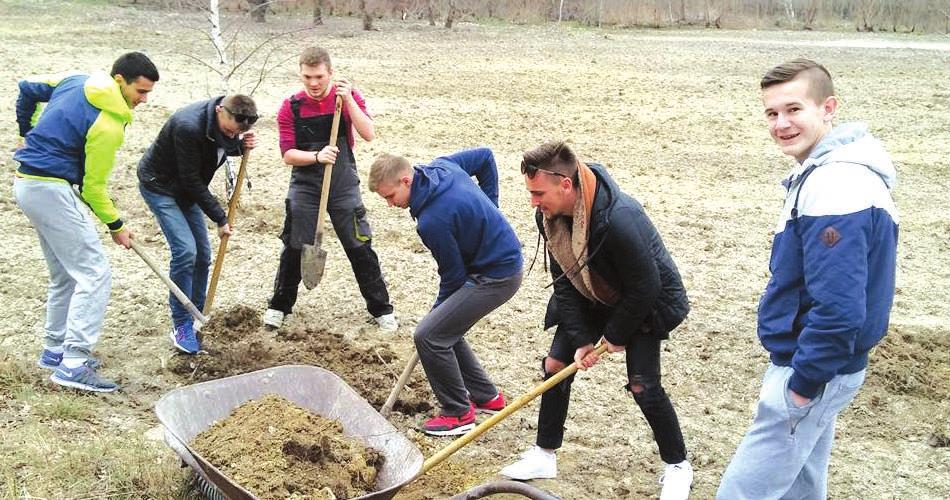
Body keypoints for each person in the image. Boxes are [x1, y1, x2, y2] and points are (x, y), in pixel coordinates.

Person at [717, 59, 899, 499]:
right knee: (800, 488)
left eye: (794, 109)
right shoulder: (830, 173)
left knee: (742, 493)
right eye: (772, 113)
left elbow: (839, 306)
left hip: (813, 369)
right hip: (820, 366)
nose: (781, 124)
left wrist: (802, 385)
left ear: (828, 107)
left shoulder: (837, 184)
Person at [501, 141, 693, 500]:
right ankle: (544, 453)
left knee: (643, 386)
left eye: (538, 193)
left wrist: (616, 335)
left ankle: (678, 465)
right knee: (556, 363)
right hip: (594, 293)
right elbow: (565, 281)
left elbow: (646, 286)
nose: (533, 202)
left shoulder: (619, 218)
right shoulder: (549, 217)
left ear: (566, 185)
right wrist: (580, 339)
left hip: (645, 301)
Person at [12, 52, 159, 392]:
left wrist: (26, 131)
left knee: (66, 272)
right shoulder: (107, 124)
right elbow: (93, 189)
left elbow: (27, 89)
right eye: (140, 92)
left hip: (27, 184)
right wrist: (117, 225)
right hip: (50, 190)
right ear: (120, 80)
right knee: (94, 273)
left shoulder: (74, 80)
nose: (144, 100)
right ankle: (74, 363)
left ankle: (54, 350)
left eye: (148, 93)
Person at [368, 148, 523, 436]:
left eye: (390, 197)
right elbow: (485, 158)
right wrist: (491, 208)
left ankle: (458, 413)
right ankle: (486, 396)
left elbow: (452, 278)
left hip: (497, 275)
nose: (390, 205)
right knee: (443, 328)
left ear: (405, 181)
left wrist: (490, 207)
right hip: (496, 262)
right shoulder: (442, 167)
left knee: (428, 335)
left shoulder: (432, 221)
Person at [263, 46, 396, 331]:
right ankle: (279, 306)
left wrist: (348, 101)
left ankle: (381, 309)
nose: (313, 83)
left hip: (343, 183)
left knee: (359, 244)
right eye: (307, 77)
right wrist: (316, 156)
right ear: (301, 74)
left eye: (319, 77)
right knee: (295, 245)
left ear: (330, 74)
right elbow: (288, 155)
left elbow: (368, 133)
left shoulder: (345, 98)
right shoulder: (291, 107)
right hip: (306, 184)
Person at [137, 95, 259, 354]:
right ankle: (181, 324)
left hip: (187, 189)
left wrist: (240, 145)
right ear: (219, 111)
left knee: (203, 255)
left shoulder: (225, 123)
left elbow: (221, 146)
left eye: (237, 132)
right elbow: (191, 178)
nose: (232, 134)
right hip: (160, 186)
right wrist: (220, 217)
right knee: (186, 252)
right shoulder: (188, 125)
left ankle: (197, 316)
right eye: (229, 130)